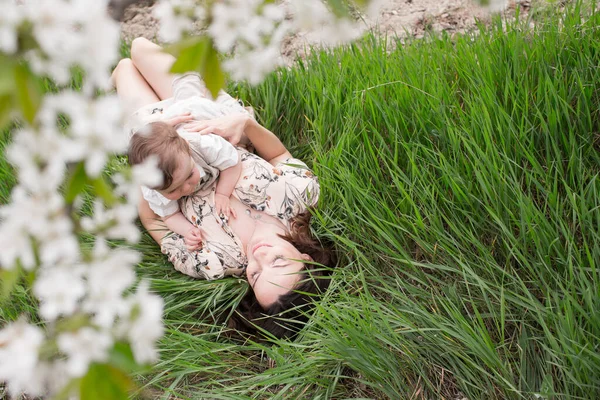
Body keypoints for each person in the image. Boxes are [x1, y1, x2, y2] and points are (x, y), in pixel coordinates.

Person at [112, 37, 336, 338]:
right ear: (306, 259)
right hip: (202, 115)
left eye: (255, 276)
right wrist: (244, 124)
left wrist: (149, 167)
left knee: (124, 69)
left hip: (153, 143)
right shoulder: (301, 198)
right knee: (139, 47)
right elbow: (279, 156)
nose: (260, 256)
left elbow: (156, 221)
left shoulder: (214, 261)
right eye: (278, 261)